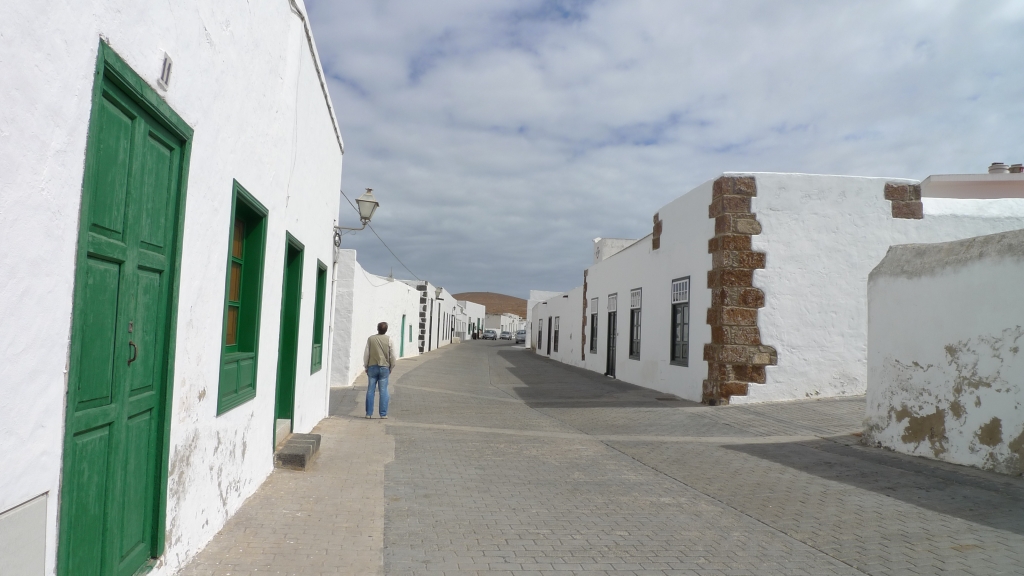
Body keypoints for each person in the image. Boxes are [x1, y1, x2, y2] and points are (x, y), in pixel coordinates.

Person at [363, 321, 396, 419]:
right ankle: (383, 414)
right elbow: (393, 355)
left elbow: (366, 354)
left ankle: (369, 413)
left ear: (377, 329)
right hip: (384, 367)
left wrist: (366, 366)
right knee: (384, 390)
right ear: (386, 330)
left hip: (372, 366)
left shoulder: (370, 339)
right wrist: (391, 367)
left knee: (370, 390)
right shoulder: (389, 340)